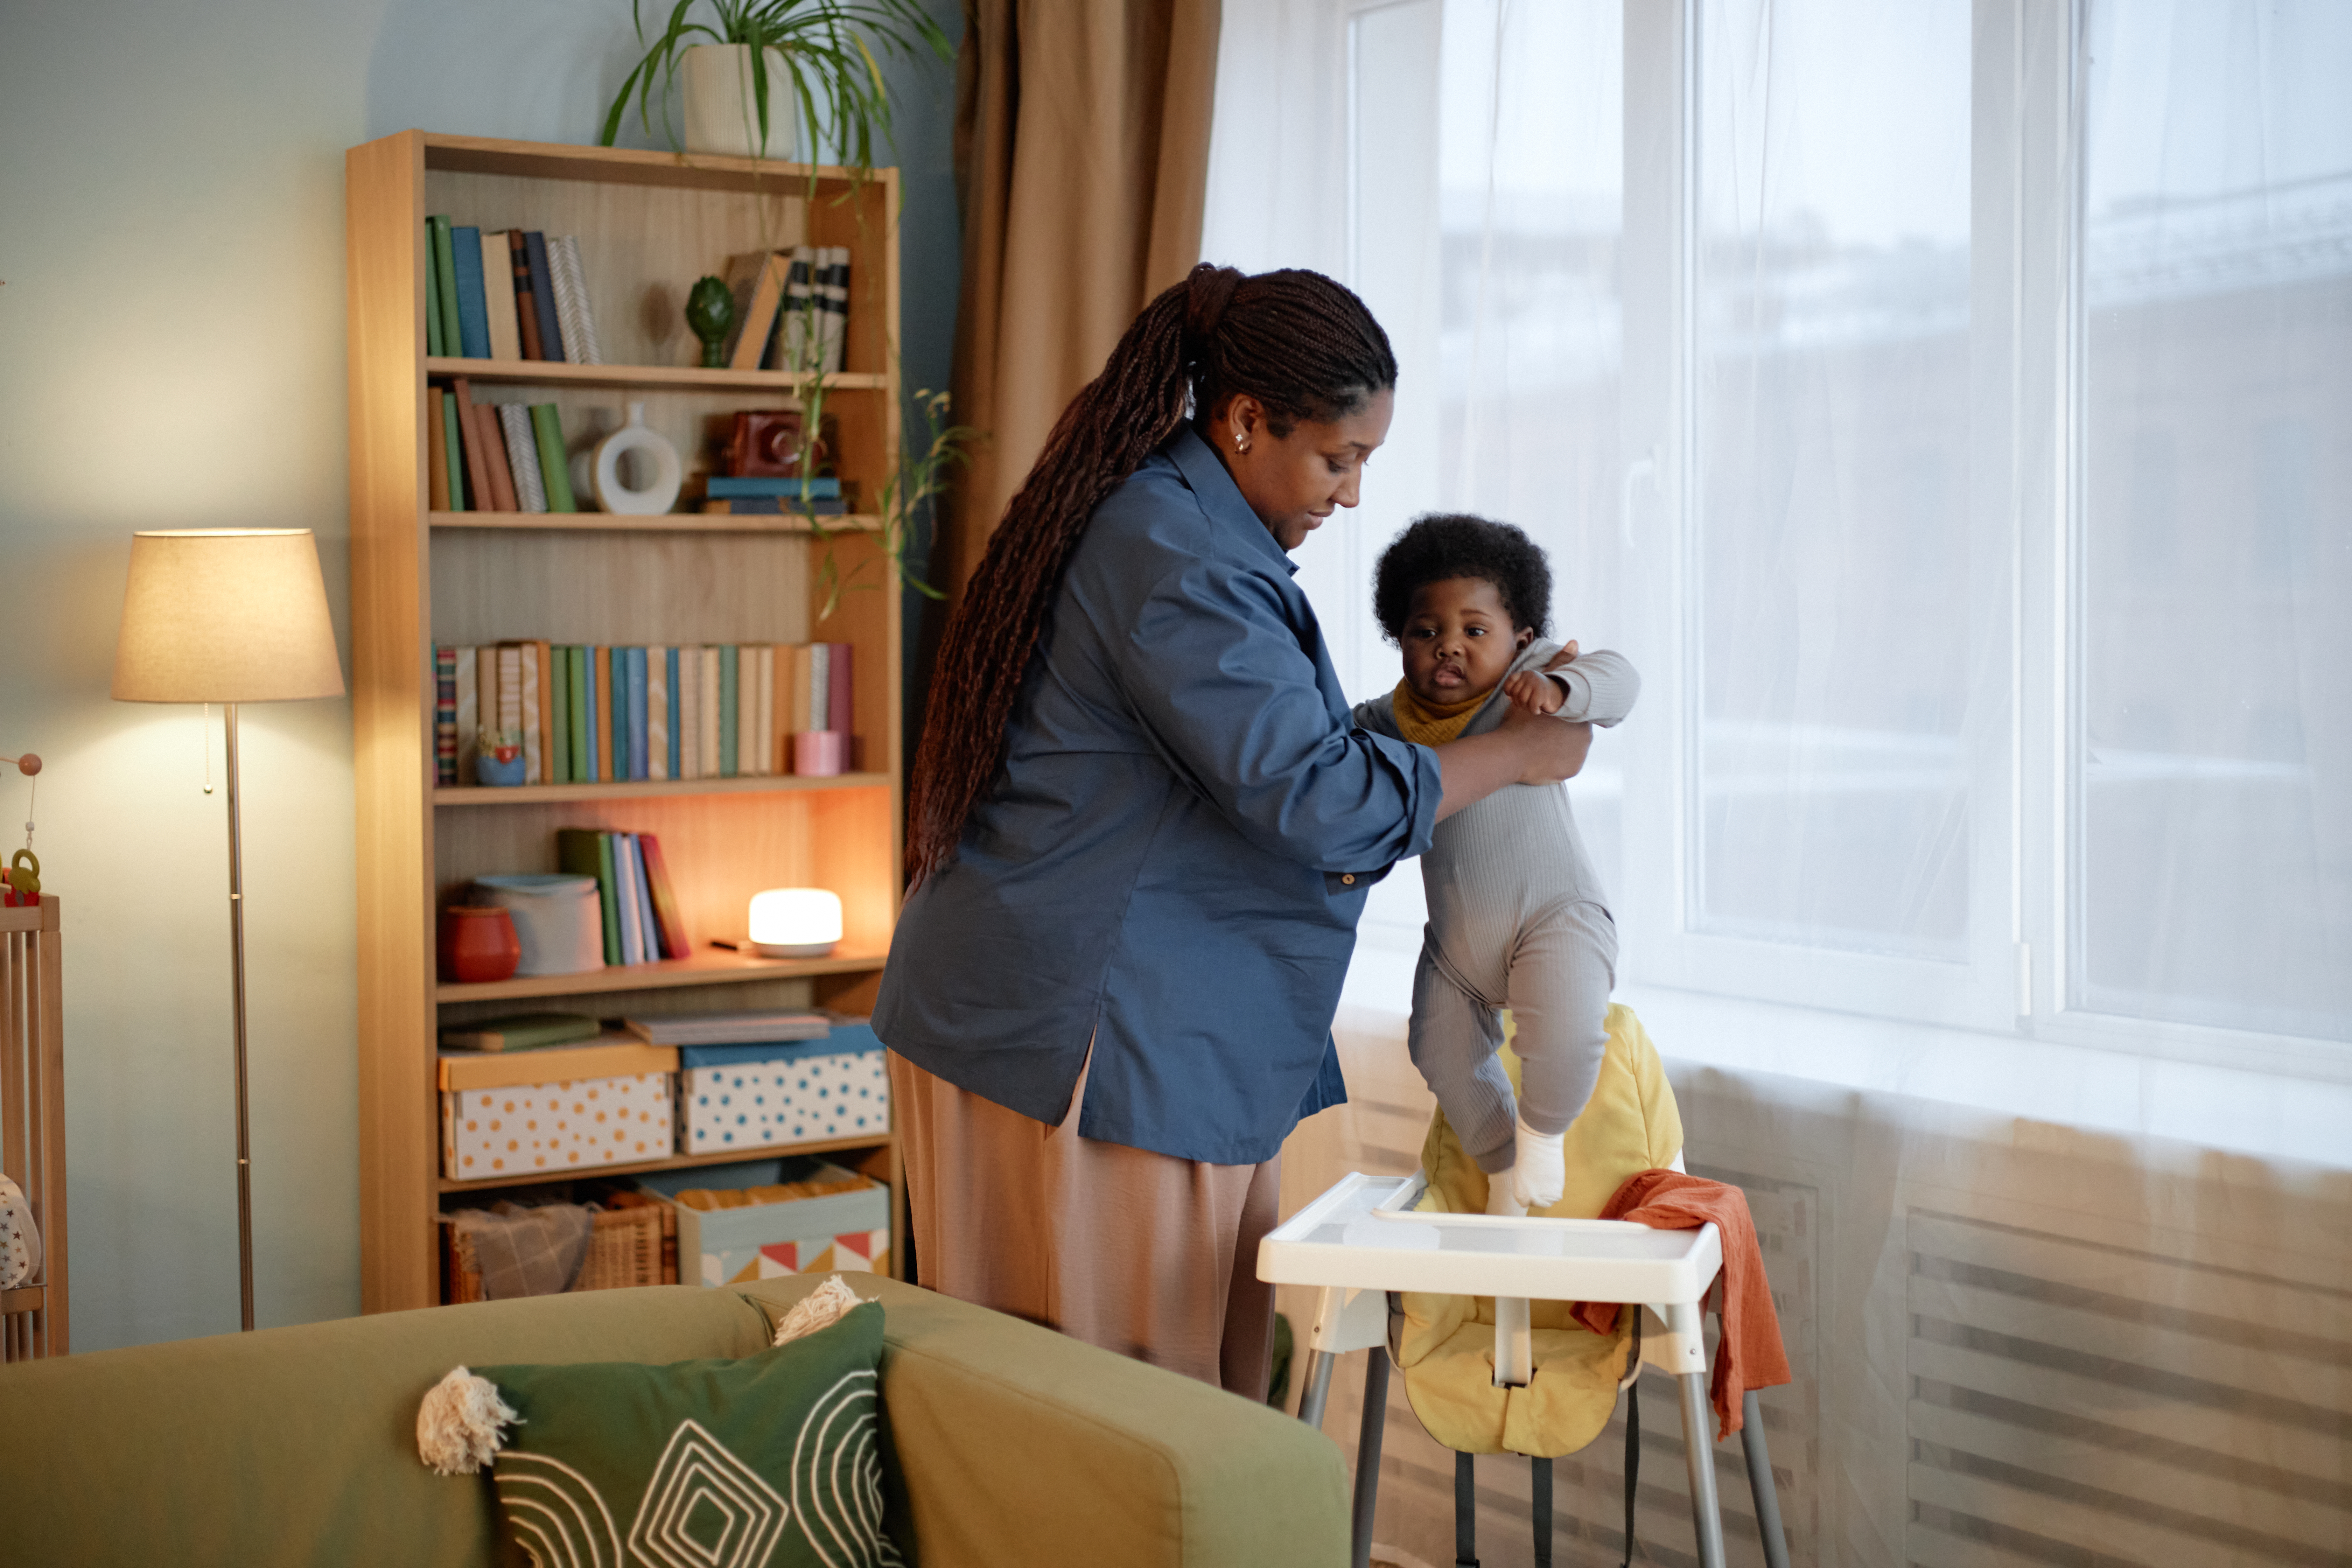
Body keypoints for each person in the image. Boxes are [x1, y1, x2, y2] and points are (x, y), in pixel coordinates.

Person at [873, 265, 1592, 1398]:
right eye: (1339, 459)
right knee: (1110, 1421)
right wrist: (1515, 755)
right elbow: (1316, 796)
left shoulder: (1172, 523)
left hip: (1073, 1008)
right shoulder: (1185, 561)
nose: (1352, 495)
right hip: (1088, 1033)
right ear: (1248, 421)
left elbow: (1266, 757)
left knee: (1112, 1410)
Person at [1350, 514, 1639, 1217]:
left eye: (1475, 630)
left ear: (1520, 636)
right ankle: (1503, 1164)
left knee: (1566, 1035)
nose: (1448, 645)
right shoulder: (1393, 719)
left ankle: (1541, 1135)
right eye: (1424, 630)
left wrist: (1563, 688)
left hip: (1554, 916)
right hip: (1457, 950)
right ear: (1398, 638)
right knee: (1438, 1049)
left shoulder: (1525, 681)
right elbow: (1330, 739)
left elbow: (1621, 678)